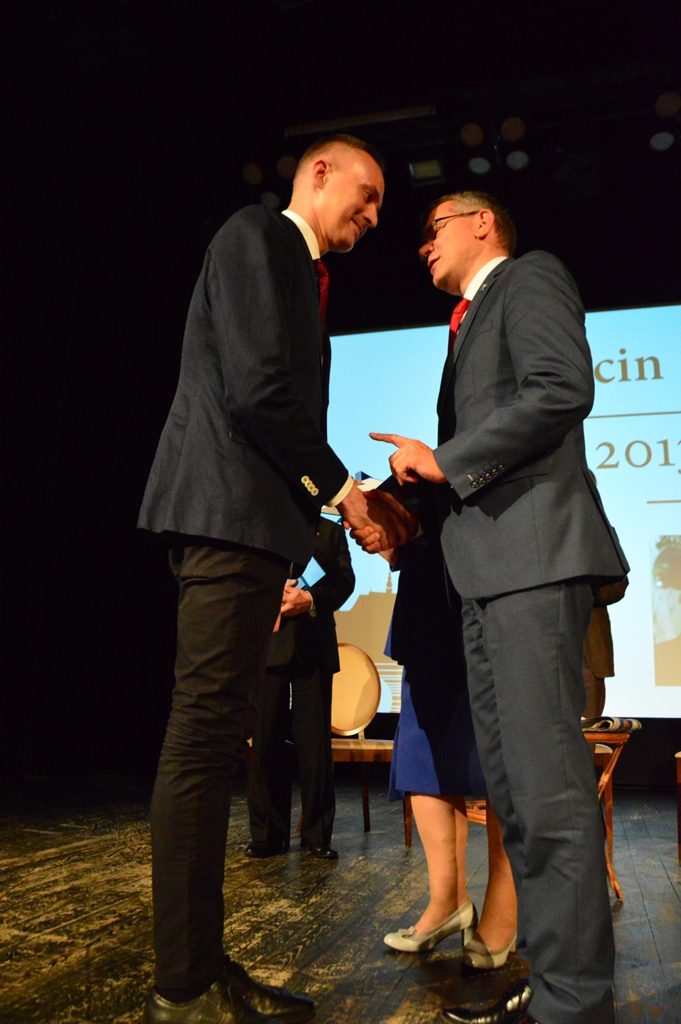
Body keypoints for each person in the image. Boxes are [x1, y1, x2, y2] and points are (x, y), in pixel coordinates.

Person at [137, 134, 412, 1024]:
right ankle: (181, 990)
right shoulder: (256, 235)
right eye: (366, 194)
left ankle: (200, 968)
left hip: (248, 525)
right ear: (318, 173)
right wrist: (346, 495)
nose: (373, 216)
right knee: (201, 741)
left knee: (214, 741)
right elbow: (258, 392)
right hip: (225, 516)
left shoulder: (295, 265)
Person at [357, 191, 630, 1024]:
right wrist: (401, 510)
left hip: (532, 567)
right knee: (515, 796)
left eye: (431, 228)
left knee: (546, 796)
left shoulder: (529, 276)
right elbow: (474, 468)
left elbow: (560, 389)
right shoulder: (466, 325)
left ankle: (574, 1003)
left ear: (481, 224)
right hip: (481, 579)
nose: (420, 246)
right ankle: (553, 985)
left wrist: (442, 460)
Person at [382, 539, 517, 967]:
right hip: (428, 581)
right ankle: (447, 901)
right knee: (424, 747)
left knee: (507, 753)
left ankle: (505, 906)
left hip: (496, 566)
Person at [246, 516, 354, 861]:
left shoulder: (330, 531)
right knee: (265, 743)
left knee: (315, 748)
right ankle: (267, 835)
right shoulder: (263, 523)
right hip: (269, 645)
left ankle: (317, 835)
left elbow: (345, 581)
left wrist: (310, 599)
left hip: (314, 647)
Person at [582, 578, 629, 719]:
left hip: (588, 653)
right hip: (544, 647)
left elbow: (617, 586)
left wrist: (579, 592)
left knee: (589, 725)